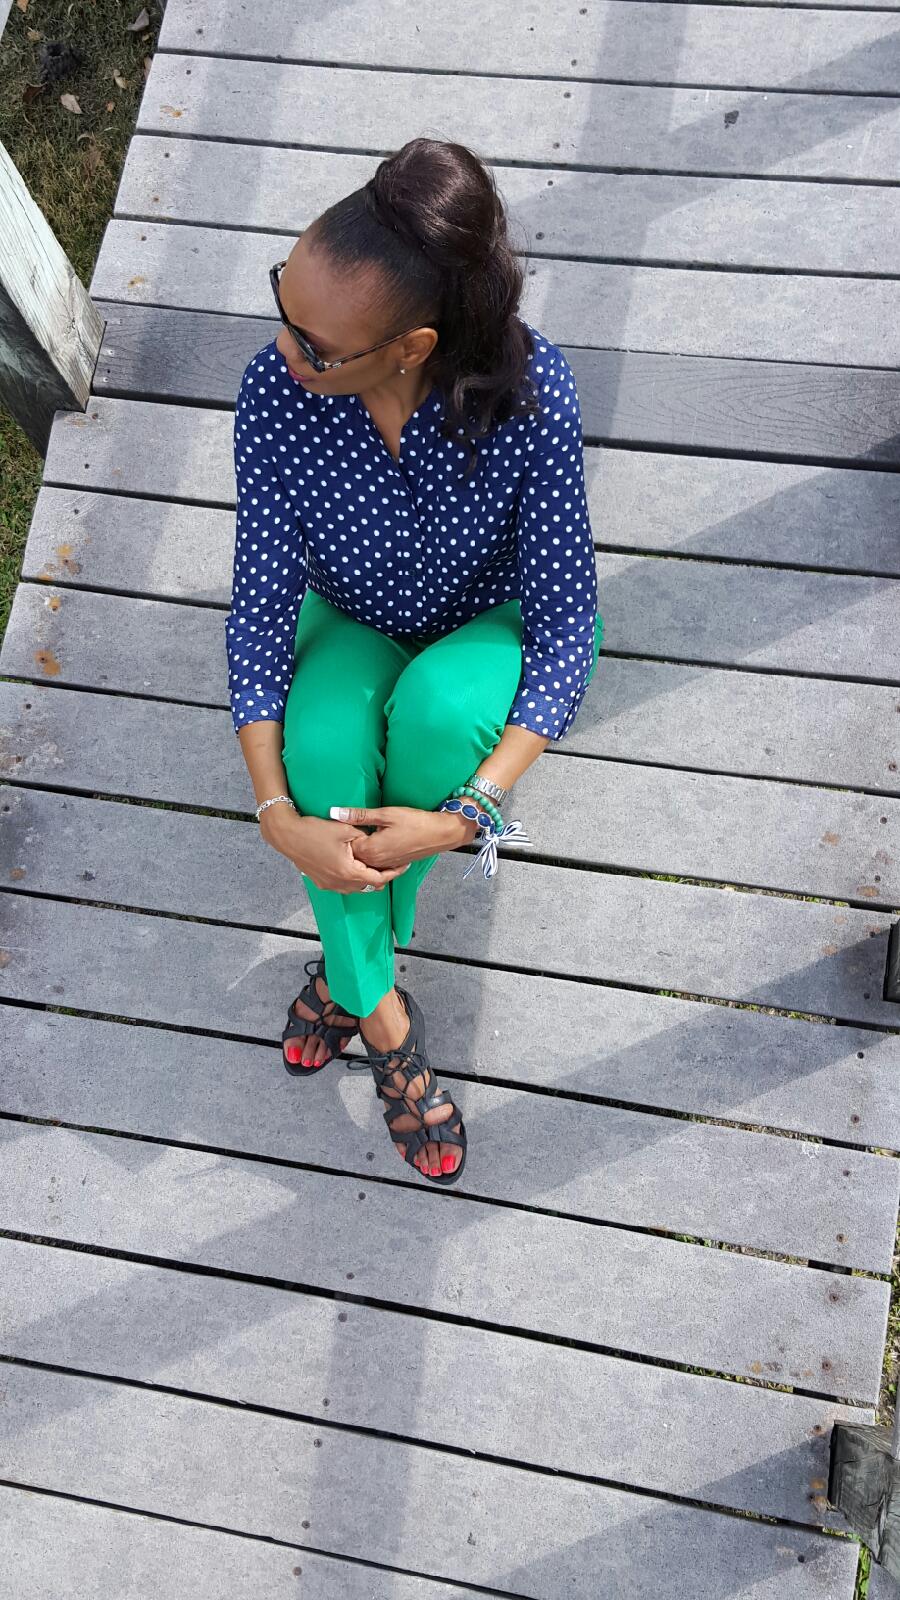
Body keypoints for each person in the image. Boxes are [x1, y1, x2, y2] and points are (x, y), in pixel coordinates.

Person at [225, 137, 603, 1188]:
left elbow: (567, 628)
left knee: (436, 716)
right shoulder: (276, 394)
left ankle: (348, 978)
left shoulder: (534, 392)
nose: (283, 349)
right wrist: (275, 814)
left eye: (317, 344)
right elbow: (260, 608)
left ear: (412, 345)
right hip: (348, 617)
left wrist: (468, 816)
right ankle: (383, 1013)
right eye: (283, 306)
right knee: (321, 750)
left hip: (486, 625)